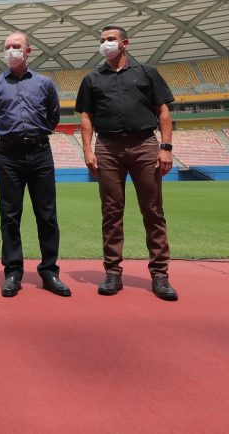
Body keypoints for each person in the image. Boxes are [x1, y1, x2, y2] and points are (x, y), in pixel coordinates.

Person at [75, 26, 178, 301]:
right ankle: (112, 272)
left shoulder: (147, 73)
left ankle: (160, 275)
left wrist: (166, 148)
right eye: (102, 41)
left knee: (153, 210)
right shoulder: (92, 79)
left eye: (110, 40)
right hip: (107, 147)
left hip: (144, 144)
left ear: (125, 43)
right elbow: (86, 118)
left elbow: (163, 111)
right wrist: (88, 150)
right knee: (111, 212)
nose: (105, 44)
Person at [0, 31, 70, 298]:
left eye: (16, 46)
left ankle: (49, 271)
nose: (11, 50)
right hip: (8, 154)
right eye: (7, 46)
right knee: (10, 216)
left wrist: (36, 136)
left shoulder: (44, 83)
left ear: (28, 51)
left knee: (47, 214)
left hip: (40, 151)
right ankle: (12, 272)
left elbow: (54, 115)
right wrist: (8, 138)